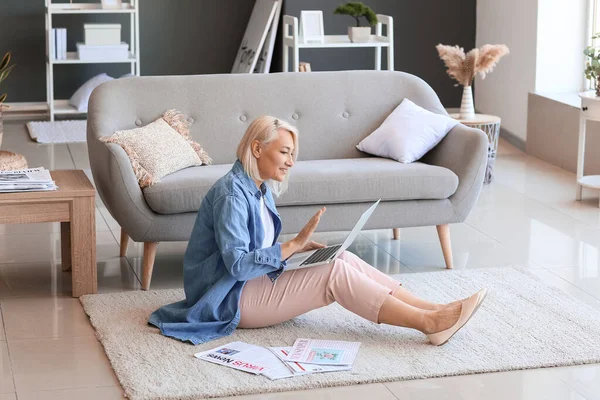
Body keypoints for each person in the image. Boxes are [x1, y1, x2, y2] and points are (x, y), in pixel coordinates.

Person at [149, 116, 487, 346]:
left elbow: (254, 250)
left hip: (248, 284)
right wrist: (292, 245)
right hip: (228, 298)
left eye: (293, 154)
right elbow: (237, 265)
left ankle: (433, 310)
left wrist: (297, 249)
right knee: (332, 274)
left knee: (342, 257)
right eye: (284, 152)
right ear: (257, 148)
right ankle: (428, 324)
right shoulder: (231, 194)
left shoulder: (257, 187)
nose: (290, 161)